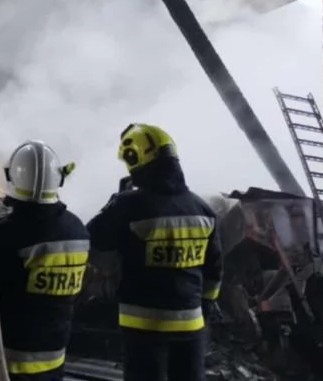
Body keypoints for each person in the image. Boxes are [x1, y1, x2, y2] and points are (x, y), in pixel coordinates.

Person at [87, 124, 222, 381]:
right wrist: (202, 309)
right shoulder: (202, 209)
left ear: (135, 158)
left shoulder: (129, 204)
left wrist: (117, 200)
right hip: (192, 326)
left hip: (144, 326)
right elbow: (214, 271)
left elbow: (93, 238)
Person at [0, 140, 89, 380]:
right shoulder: (78, 230)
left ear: (13, 178)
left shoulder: (8, 234)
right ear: (58, 178)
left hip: (6, 364)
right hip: (53, 361)